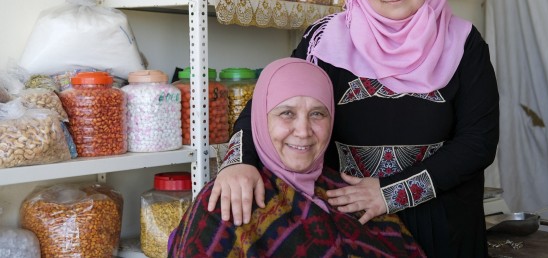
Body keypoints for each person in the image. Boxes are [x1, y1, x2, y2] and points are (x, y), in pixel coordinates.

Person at [208, 0, 500, 258]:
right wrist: (237, 162)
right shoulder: (324, 42)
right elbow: (266, 104)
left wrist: (389, 193)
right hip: (348, 225)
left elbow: (477, 143)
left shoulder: (464, 43)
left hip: (441, 226)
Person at [167, 57, 426, 257]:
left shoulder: (349, 194)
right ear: (259, 119)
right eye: (286, 113)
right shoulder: (227, 204)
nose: (303, 131)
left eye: (317, 114)